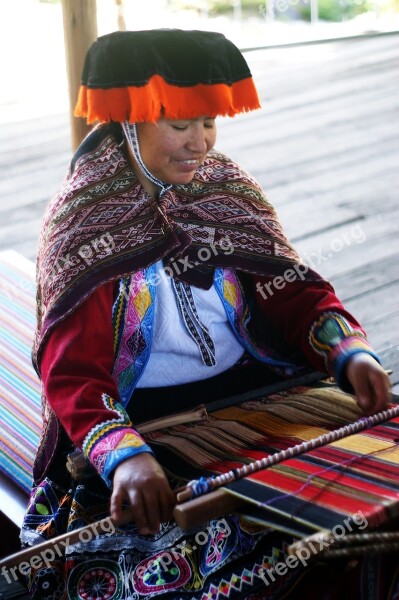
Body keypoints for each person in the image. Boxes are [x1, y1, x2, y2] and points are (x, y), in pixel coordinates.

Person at [21, 29, 393, 599]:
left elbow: (291, 291)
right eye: (180, 126)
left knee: (376, 494)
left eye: (209, 124)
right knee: (159, 559)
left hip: (263, 393)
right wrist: (125, 459)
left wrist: (348, 351)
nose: (200, 144)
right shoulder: (83, 222)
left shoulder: (225, 187)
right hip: (148, 420)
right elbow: (72, 370)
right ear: (129, 119)